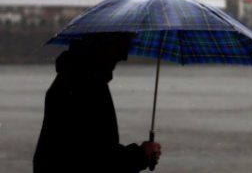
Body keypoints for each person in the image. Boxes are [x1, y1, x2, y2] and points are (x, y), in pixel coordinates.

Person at [34, 33, 162, 173]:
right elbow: (96, 159)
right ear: (104, 41)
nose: (124, 56)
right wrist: (141, 155)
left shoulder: (72, 78)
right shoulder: (86, 85)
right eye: (122, 45)